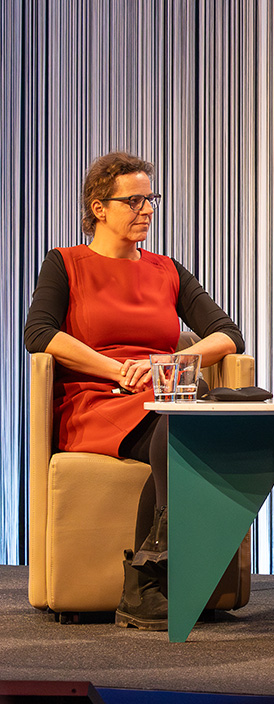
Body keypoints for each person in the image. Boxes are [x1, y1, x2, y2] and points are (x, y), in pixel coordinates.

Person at [23, 152, 245, 631]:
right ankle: (148, 585)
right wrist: (117, 370)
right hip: (96, 400)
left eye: (151, 199)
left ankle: (145, 581)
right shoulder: (66, 263)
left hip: (161, 396)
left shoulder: (167, 270)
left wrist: (169, 363)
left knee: (200, 413)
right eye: (134, 201)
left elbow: (229, 335)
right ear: (99, 208)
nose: (147, 210)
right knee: (188, 423)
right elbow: (39, 334)